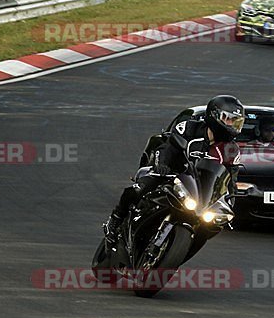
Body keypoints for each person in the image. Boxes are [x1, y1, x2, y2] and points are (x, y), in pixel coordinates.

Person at [104, 95, 245, 246]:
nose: (232, 125)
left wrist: (230, 200)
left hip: (199, 191)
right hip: (171, 174)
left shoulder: (231, 150)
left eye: (235, 122)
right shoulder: (189, 128)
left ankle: (179, 254)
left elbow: (230, 179)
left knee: (211, 225)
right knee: (140, 187)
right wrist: (162, 165)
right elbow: (167, 148)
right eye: (228, 119)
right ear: (213, 115)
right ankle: (115, 220)